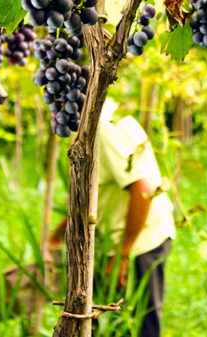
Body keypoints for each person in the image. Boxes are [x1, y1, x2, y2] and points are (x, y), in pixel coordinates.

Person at [48, 99, 175, 337]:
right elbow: (96, 196)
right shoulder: (107, 115)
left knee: (138, 328)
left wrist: (122, 254)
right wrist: (57, 236)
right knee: (110, 326)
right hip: (119, 241)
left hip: (140, 243)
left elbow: (142, 190)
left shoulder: (103, 129)